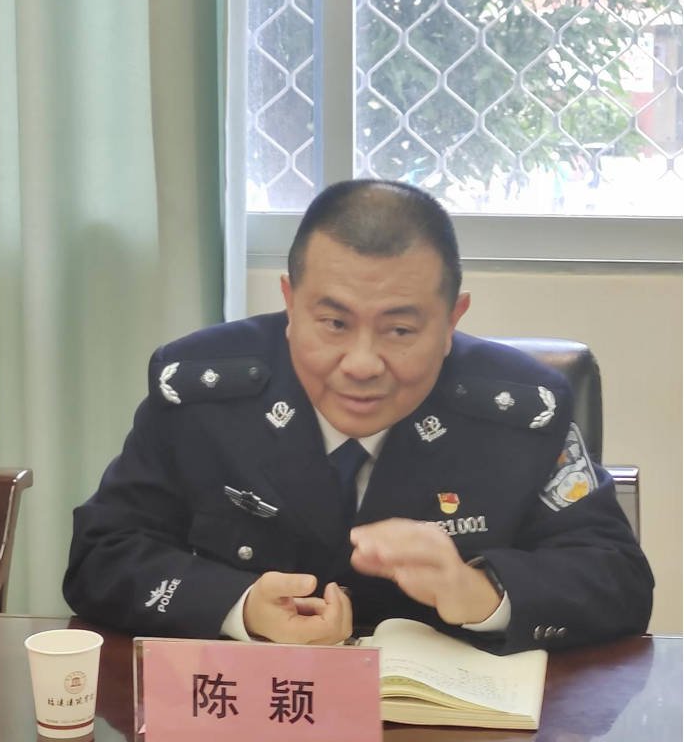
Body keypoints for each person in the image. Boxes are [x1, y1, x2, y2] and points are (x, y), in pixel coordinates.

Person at [63, 179, 653, 653]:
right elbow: (102, 555)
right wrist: (237, 606)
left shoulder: (523, 410)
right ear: (290, 304)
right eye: (334, 323)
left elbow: (617, 579)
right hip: (253, 720)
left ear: (452, 320)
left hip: (453, 738)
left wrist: (480, 592)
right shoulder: (200, 392)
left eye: (400, 330)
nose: (362, 364)